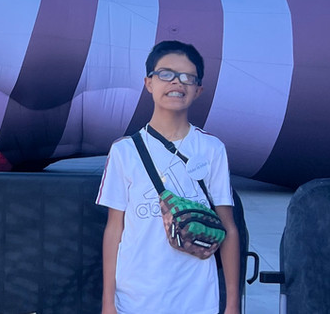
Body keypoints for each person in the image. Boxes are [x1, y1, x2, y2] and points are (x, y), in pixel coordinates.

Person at [97, 41, 239, 314]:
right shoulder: (124, 151)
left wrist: (232, 304)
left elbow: (228, 228)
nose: (176, 82)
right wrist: (108, 302)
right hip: (135, 300)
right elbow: (114, 229)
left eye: (187, 77)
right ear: (148, 83)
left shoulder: (212, 149)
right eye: (166, 74)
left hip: (197, 300)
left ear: (198, 90)